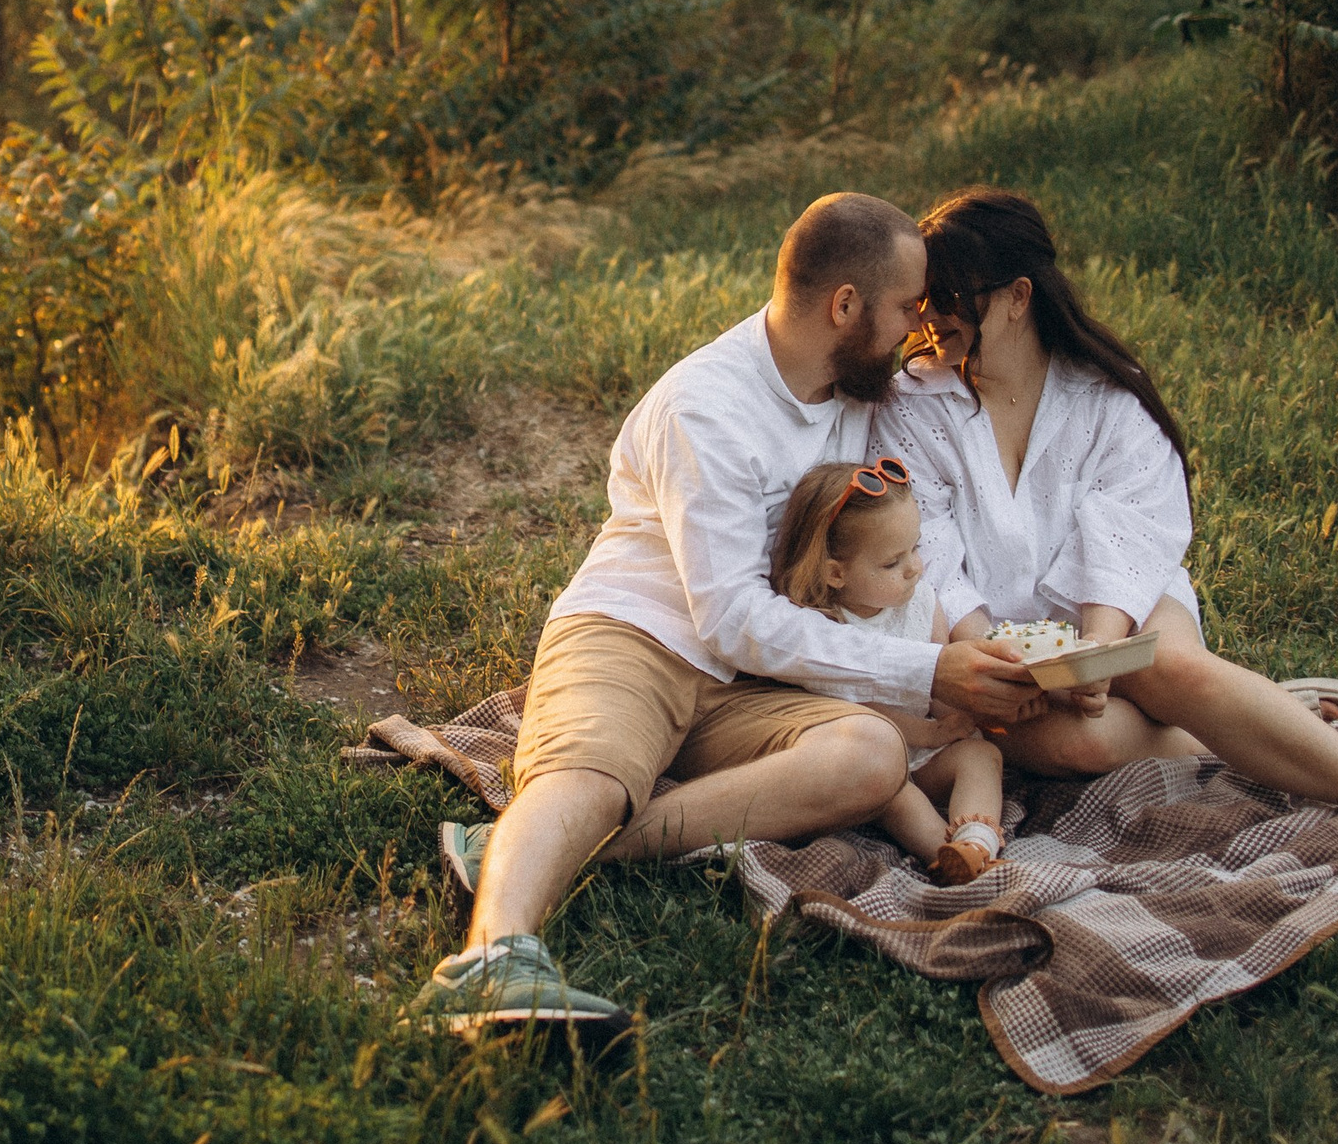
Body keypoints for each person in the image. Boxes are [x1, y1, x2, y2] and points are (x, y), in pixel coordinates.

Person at [408, 193, 1051, 1037]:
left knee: (869, 753)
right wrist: (929, 671)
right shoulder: (707, 405)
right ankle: (491, 958)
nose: (918, 328)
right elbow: (728, 615)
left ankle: (521, 850)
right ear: (845, 306)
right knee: (592, 778)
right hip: (641, 633)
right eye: (904, 307)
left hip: (754, 678)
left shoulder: (858, 395)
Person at [877, 186, 1338, 907]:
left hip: (1119, 607)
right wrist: (996, 656)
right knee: (1086, 744)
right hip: (989, 644)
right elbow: (931, 547)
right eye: (923, 298)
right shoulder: (913, 406)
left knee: (1170, 663)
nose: (928, 317)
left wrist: (1098, 649)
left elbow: (1132, 531)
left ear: (1016, 298)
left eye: (948, 295)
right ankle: (1261, 720)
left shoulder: (1107, 393)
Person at [769, 456, 1007, 883]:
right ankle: (946, 855)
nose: (914, 567)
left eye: (914, 548)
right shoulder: (823, 632)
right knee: (896, 792)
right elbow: (857, 708)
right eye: (892, 562)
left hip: (925, 748)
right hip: (869, 762)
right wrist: (929, 734)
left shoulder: (920, 602)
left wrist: (963, 716)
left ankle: (976, 841)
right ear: (836, 573)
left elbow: (941, 681)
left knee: (981, 756)